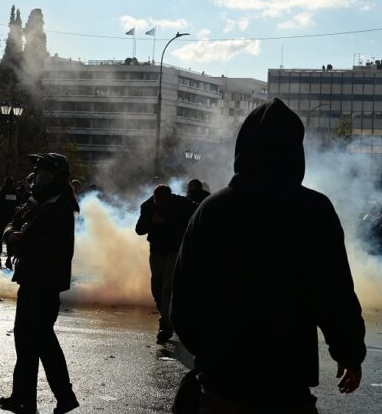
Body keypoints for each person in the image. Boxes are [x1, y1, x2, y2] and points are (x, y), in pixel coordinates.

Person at [171, 98, 366, 412]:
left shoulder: (212, 210)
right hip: (286, 380)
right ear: (295, 151)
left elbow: (183, 296)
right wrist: (349, 353)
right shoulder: (313, 210)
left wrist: (210, 352)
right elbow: (334, 292)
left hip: (223, 379)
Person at [0, 153, 79, 414]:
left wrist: (25, 240)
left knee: (43, 340)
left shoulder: (61, 207)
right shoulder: (36, 201)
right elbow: (12, 221)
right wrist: (12, 233)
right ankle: (22, 396)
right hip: (30, 278)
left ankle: (64, 396)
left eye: (42, 173)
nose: (36, 178)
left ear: (56, 177)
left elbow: (58, 248)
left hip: (46, 282)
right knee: (25, 339)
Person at [135, 184, 196, 344]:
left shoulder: (183, 204)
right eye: (157, 201)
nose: (159, 205)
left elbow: (198, 214)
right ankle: (169, 316)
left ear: (169, 198)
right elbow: (139, 229)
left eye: (162, 202)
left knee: (168, 287)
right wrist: (150, 221)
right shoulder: (148, 206)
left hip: (175, 250)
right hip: (157, 251)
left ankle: (166, 326)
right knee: (157, 287)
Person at [0, 177, 18, 268]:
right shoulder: (16, 194)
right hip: (11, 220)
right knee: (9, 240)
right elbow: (17, 208)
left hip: (0, 219)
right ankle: (9, 259)